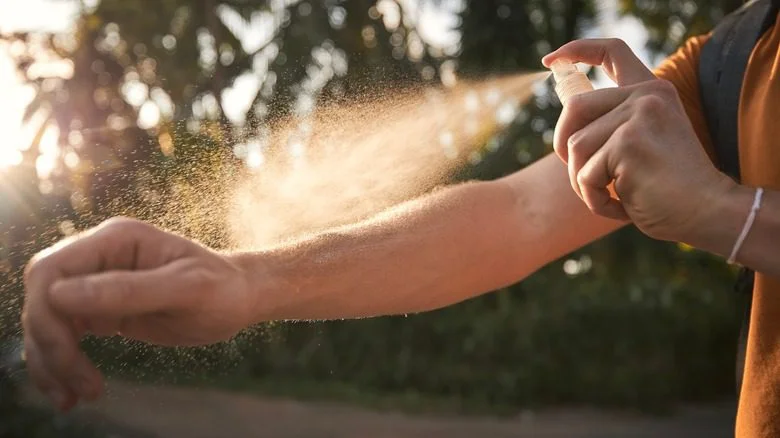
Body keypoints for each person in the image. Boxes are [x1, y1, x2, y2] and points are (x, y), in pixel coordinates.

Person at [21, 14, 780, 438]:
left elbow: (723, 212)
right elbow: (515, 214)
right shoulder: (737, 57)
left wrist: (727, 214)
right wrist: (245, 279)